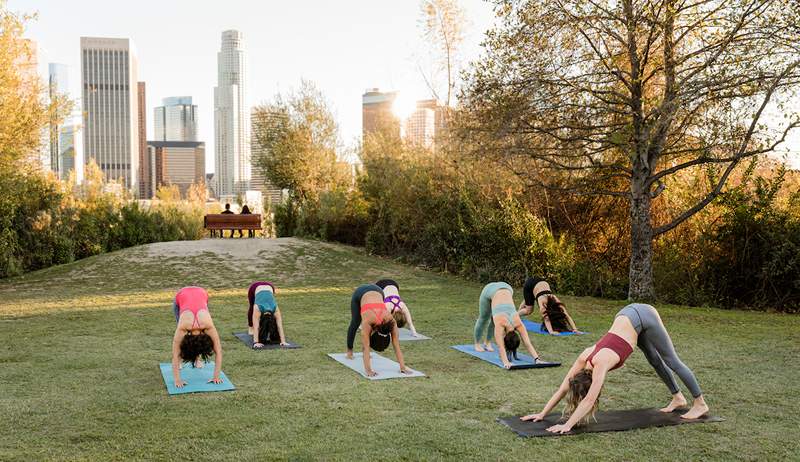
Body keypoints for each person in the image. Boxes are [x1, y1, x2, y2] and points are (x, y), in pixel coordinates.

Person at [521, 303, 709, 433]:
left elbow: (588, 400)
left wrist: (567, 425)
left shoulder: (600, 364)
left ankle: (700, 403)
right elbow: (563, 388)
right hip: (626, 317)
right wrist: (542, 413)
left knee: (671, 361)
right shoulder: (584, 357)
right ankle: (678, 397)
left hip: (643, 315)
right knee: (654, 360)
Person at [474, 282, 543, 368]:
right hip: (490, 290)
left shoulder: (518, 323)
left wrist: (537, 359)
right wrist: (506, 362)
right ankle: (477, 343)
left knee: (493, 319)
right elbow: (501, 347)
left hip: (507, 288)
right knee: (483, 318)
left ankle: (487, 342)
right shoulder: (501, 323)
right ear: (505, 337)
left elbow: (527, 343)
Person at [346, 283, 410, 377]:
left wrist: (403, 367)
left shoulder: (392, 323)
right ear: (374, 333)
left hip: (378, 290)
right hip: (360, 293)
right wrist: (368, 370)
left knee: (363, 332)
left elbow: (396, 346)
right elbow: (365, 347)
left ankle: (351, 351)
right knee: (355, 323)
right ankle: (349, 351)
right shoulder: (368, 321)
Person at [171, 286, 223, 388]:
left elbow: (175, 355)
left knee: (195, 346)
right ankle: (193, 360)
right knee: (182, 346)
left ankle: (197, 360)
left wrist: (216, 376)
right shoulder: (182, 327)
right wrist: (177, 379)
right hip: (181, 296)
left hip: (202, 294)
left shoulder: (208, 326)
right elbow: (219, 352)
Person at [246, 281, 288, 348]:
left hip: (270, 286)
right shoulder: (258, 308)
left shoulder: (275, 308)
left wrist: (283, 341)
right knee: (251, 307)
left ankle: (267, 329)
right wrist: (256, 342)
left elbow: (279, 326)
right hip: (254, 287)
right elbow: (255, 326)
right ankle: (250, 328)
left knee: (256, 313)